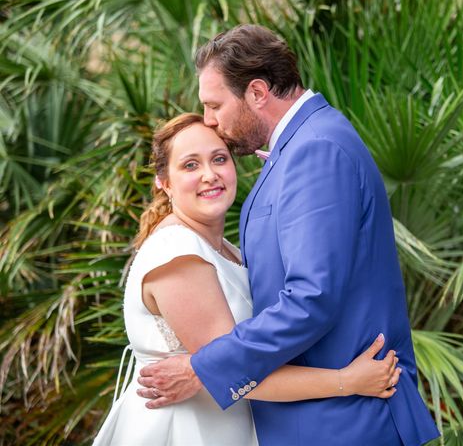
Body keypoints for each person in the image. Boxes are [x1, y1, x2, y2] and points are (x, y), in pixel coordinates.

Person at [137, 25, 441, 445]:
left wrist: (203, 366)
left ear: (258, 92)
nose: (210, 120)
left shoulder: (315, 150)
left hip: (344, 424)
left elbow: (311, 298)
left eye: (214, 105)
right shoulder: (304, 145)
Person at [92, 113, 402, 446]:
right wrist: (346, 381)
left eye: (219, 159)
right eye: (190, 165)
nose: (210, 175)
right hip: (185, 430)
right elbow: (232, 369)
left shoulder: (227, 250)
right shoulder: (177, 253)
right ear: (164, 182)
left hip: (227, 424)